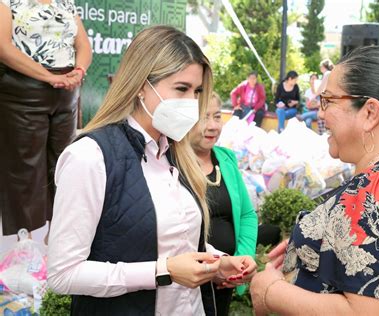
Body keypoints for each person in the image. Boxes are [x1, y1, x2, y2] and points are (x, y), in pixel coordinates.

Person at [47, 25, 257, 315]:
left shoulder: (178, 154)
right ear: (141, 86)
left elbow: (174, 242)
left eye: (197, 92)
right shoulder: (90, 157)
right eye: (181, 89)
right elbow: (63, 274)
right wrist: (162, 272)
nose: (191, 103)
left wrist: (218, 262)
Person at [250, 46, 379, 316]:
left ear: (370, 112)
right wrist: (314, 241)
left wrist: (271, 292)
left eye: (328, 100)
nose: (321, 114)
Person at [0, 0, 92, 237]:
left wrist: (79, 71)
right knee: (24, 165)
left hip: (66, 92)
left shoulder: (66, 2)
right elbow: (3, 47)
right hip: (24, 91)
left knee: (64, 163)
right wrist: (47, 77)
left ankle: (59, 234)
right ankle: (25, 240)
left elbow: (83, 45)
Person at [189, 92, 258, 315]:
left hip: (225, 280)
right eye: (203, 117)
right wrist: (214, 267)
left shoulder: (226, 159)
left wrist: (240, 262)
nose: (212, 126)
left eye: (217, 117)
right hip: (189, 280)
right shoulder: (172, 161)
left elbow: (247, 214)